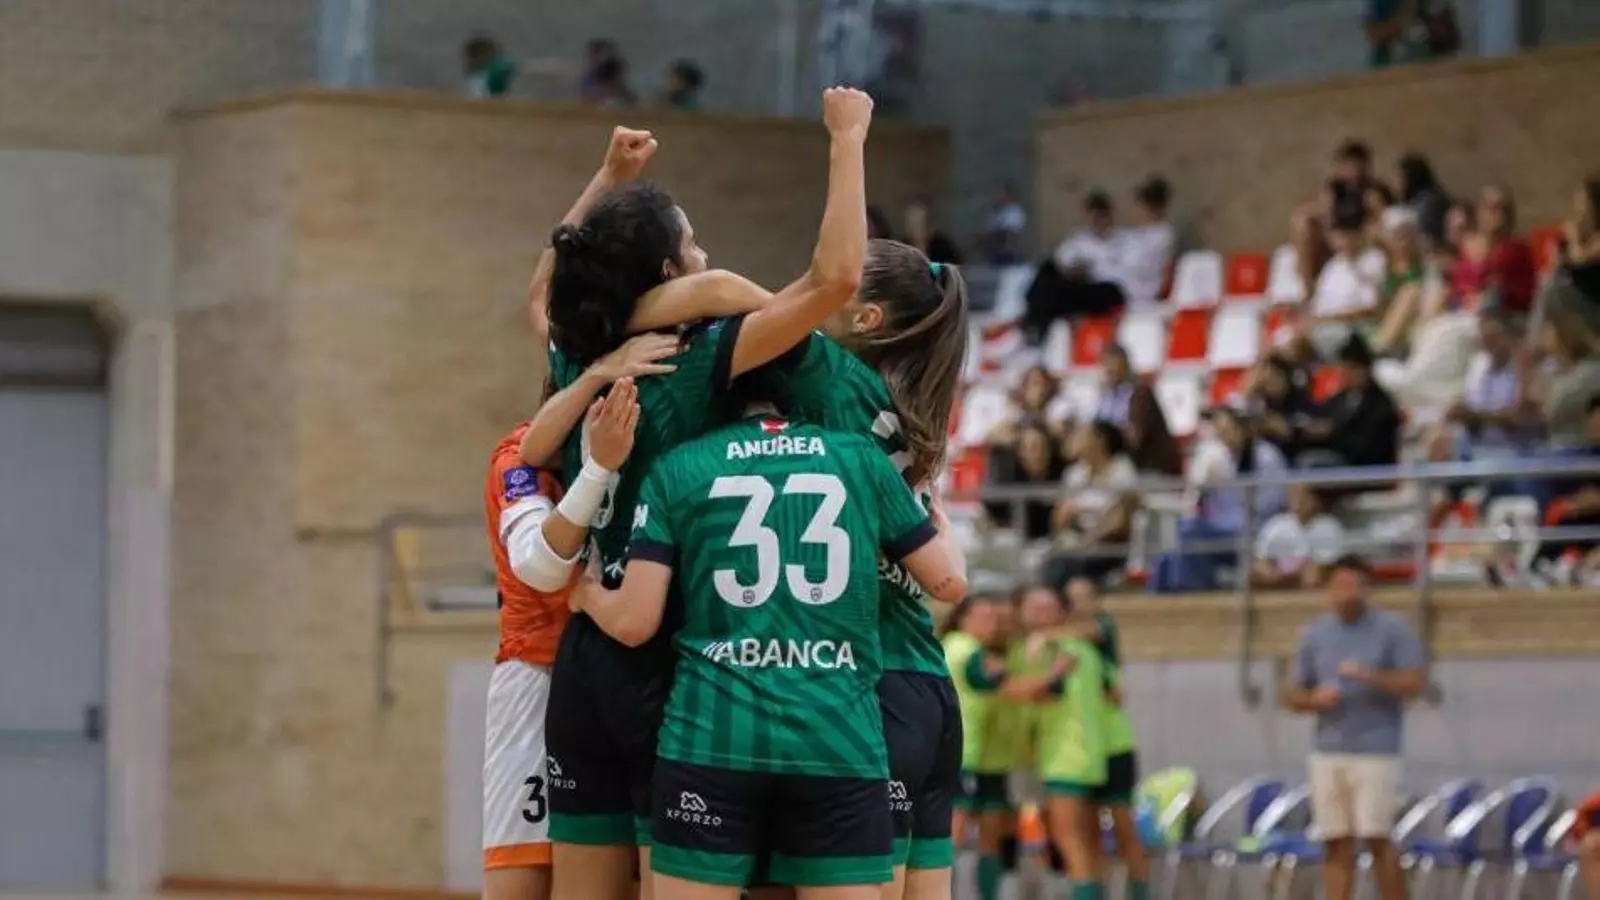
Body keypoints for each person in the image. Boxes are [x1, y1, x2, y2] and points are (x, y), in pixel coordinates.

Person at [521, 90, 877, 900]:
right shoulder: (703, 355)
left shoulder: (581, 351)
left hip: (586, 661)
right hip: (674, 660)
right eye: (692, 245)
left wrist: (606, 180)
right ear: (667, 272)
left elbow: (544, 290)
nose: (705, 253)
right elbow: (833, 281)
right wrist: (847, 138)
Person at [571, 407, 968, 900]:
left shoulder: (680, 464)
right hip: (838, 737)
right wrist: (942, 528)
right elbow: (947, 583)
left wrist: (586, 594)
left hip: (712, 734)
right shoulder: (860, 457)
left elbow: (634, 622)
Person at [480, 381, 642, 900]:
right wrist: (597, 466)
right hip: (539, 673)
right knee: (524, 872)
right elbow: (540, 567)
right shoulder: (518, 457)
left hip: (622, 671)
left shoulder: (648, 450)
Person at [1283, 555, 1424, 900]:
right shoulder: (1315, 634)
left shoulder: (1391, 629)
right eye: (1339, 586)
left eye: (1353, 586)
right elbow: (1292, 694)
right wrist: (1315, 699)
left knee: (1377, 838)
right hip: (1328, 749)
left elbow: (1414, 683)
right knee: (1335, 841)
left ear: (1366, 588)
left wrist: (1369, 676)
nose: (1346, 594)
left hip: (1376, 750)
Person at [945, 591, 1064, 900]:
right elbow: (1011, 689)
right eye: (986, 617)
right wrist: (1053, 676)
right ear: (963, 619)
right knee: (952, 836)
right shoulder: (965, 649)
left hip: (993, 759)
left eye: (997, 618)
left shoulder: (998, 650)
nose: (995, 624)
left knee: (994, 835)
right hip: (961, 755)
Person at [1150, 407, 1288, 593]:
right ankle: (1160, 601)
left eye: (1229, 430)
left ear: (1244, 428)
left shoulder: (1266, 456)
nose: (1225, 437)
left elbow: (1274, 503)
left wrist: (1231, 484)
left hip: (1255, 532)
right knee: (1170, 552)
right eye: (1221, 431)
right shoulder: (1214, 454)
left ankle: (1198, 595)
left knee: (1189, 534)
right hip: (1219, 529)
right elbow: (1191, 500)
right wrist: (1204, 483)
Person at [1044, 420, 1141, 587]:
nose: (1075, 439)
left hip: (1109, 547)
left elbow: (1121, 520)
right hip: (1074, 543)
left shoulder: (1123, 470)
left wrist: (1089, 539)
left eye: (1082, 435)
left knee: (1066, 567)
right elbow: (1058, 522)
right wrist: (1064, 518)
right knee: (1050, 562)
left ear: (1100, 440)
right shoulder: (1074, 474)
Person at [1022, 192, 1125, 341]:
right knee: (1047, 270)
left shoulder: (1122, 240)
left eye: (1103, 217)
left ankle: (1033, 326)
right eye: (1095, 218)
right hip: (1079, 285)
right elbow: (1061, 265)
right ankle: (1033, 324)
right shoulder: (1079, 239)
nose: (1099, 222)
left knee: (1053, 295)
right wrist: (1076, 270)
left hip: (1107, 289)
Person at [1298, 334, 1402, 472]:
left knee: (1310, 463)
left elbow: (1368, 448)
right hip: (1340, 458)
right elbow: (1318, 413)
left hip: (1367, 468)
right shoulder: (1341, 398)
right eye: (1344, 369)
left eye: (1352, 369)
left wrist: (1332, 433)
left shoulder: (1380, 406)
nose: (1346, 374)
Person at [1094, 345, 1181, 477]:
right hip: (1115, 461)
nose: (1110, 369)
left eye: (1114, 364)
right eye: (1106, 364)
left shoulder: (1141, 395)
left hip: (1147, 467)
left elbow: (1134, 439)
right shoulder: (1103, 397)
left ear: (1125, 367)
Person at [1252, 484, 1347, 589]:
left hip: (1316, 583)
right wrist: (1272, 573)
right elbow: (1260, 560)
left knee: (1312, 575)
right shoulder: (1277, 524)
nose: (1298, 501)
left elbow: (1326, 565)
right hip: (1281, 581)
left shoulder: (1330, 526)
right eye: (1293, 496)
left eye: (1302, 496)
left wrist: (1299, 570)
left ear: (1314, 499)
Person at [1116, 176, 1176, 309]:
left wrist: (1160, 296)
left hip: (1145, 294)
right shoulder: (1134, 234)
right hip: (1124, 288)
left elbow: (1167, 269)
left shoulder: (1164, 234)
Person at [1397, 153, 1451, 251]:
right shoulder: (1411, 199)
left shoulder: (1430, 202)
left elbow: (1421, 230)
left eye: (1401, 177)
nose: (1398, 182)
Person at [903, 197, 962, 265]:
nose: (916, 227)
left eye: (920, 222)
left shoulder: (944, 248)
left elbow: (954, 268)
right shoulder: (901, 248)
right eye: (913, 222)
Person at [982, 183, 1027, 265]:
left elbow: (1011, 229)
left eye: (1002, 193)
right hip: (994, 248)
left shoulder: (1015, 211)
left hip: (1006, 248)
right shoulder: (999, 210)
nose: (999, 196)